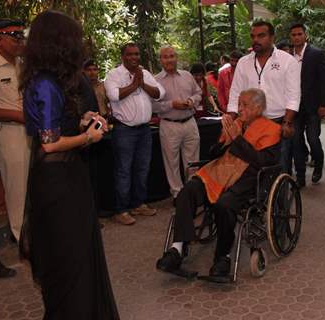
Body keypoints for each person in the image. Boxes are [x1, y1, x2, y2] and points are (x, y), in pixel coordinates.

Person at [19, 10, 119, 319]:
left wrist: (84, 119)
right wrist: (88, 138)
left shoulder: (45, 80)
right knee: (70, 256)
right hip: (58, 180)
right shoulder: (47, 83)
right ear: (60, 42)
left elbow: (54, 125)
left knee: (74, 252)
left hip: (63, 175)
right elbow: (50, 142)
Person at [157, 88, 281, 277]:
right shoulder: (236, 124)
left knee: (224, 205)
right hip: (218, 171)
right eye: (239, 104)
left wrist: (237, 140)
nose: (239, 109)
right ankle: (178, 248)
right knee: (186, 192)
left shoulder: (272, 129)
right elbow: (214, 153)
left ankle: (223, 257)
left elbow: (261, 162)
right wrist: (224, 142)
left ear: (259, 108)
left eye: (244, 105)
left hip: (247, 178)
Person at [227, 21, 301, 173]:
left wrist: (287, 122)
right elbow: (235, 92)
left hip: (277, 123)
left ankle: (280, 196)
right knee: (251, 167)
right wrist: (231, 119)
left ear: (272, 37)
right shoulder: (243, 62)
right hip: (250, 124)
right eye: (253, 36)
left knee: (279, 167)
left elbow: (294, 95)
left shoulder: (287, 61)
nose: (256, 40)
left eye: (261, 36)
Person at [105, 43, 165, 225]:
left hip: (144, 130)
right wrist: (134, 84)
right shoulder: (114, 75)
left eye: (137, 54)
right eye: (130, 54)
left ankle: (138, 203)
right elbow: (114, 96)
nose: (134, 57)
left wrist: (142, 83)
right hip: (124, 130)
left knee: (142, 168)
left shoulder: (145, 73)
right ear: (122, 56)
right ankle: (121, 210)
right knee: (124, 170)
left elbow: (160, 93)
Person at [0, 18, 30, 278]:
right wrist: (18, 116)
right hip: (8, 134)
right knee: (17, 190)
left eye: (21, 35)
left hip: (31, 132)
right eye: (14, 35)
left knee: (33, 186)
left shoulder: (23, 64)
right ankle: (22, 241)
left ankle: (34, 237)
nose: (19, 40)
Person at [154, 46, 202, 201]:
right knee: (171, 162)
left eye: (172, 56)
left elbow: (198, 93)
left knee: (193, 160)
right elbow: (152, 106)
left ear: (177, 58)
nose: (169, 59)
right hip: (169, 125)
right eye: (165, 57)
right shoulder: (155, 81)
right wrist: (171, 104)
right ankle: (177, 194)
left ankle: (191, 192)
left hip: (190, 122)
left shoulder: (187, 75)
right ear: (160, 60)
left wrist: (191, 101)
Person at [289, 23, 325, 186]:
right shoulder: (287, 57)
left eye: (299, 34)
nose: (296, 37)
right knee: (296, 141)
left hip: (313, 106)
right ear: (290, 37)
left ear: (305, 35)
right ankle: (300, 177)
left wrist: (324, 104)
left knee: (313, 138)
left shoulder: (316, 54)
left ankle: (318, 166)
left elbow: (324, 80)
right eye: (293, 35)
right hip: (294, 107)